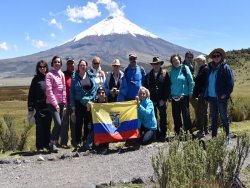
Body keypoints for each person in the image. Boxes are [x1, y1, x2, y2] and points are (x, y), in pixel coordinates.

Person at [205, 48, 234, 143]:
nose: (216, 57)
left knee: (224, 117)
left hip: (221, 98)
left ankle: (227, 137)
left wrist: (225, 94)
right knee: (213, 118)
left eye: (218, 56)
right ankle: (214, 137)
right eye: (214, 56)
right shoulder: (210, 68)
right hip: (211, 97)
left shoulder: (225, 67)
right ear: (212, 58)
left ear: (221, 57)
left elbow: (230, 83)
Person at [70, 59, 97, 150]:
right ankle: (77, 142)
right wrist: (73, 106)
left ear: (86, 66)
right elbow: (72, 93)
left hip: (89, 104)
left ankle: (86, 140)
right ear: (78, 66)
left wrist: (90, 100)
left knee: (87, 122)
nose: (82, 66)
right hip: (79, 104)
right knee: (79, 123)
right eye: (81, 65)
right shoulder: (74, 77)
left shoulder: (90, 76)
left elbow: (94, 89)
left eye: (84, 65)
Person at [143, 57, 170, 142]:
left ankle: (163, 134)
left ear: (160, 64)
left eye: (157, 64)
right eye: (154, 64)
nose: (156, 65)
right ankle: (156, 134)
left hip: (162, 100)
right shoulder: (148, 75)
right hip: (152, 101)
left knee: (163, 117)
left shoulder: (165, 74)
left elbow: (168, 88)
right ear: (152, 65)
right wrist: (149, 100)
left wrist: (164, 99)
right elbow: (145, 88)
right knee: (153, 118)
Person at [28, 60, 52, 151]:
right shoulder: (35, 79)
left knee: (47, 127)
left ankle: (47, 144)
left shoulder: (49, 77)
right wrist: (30, 107)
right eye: (40, 67)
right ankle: (39, 147)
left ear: (46, 67)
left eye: (44, 67)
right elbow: (31, 94)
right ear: (38, 68)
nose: (42, 68)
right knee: (39, 128)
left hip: (49, 107)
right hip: (39, 108)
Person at [169, 54, 194, 137]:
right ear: (172, 63)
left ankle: (189, 133)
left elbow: (191, 81)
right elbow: (170, 84)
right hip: (174, 96)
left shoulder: (184, 68)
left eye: (176, 60)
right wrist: (170, 95)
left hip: (184, 96)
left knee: (186, 115)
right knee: (176, 115)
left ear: (179, 60)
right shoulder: (171, 71)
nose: (175, 62)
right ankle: (178, 133)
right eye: (173, 61)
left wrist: (190, 93)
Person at [46, 56, 66, 153]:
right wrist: (56, 104)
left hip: (62, 102)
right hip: (53, 103)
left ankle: (55, 143)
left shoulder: (62, 74)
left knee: (60, 124)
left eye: (59, 62)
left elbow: (64, 90)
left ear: (61, 64)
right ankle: (51, 143)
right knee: (58, 123)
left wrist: (64, 102)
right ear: (52, 63)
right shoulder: (49, 75)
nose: (57, 63)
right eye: (55, 62)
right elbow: (49, 91)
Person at [85, 87, 109, 154]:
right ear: (97, 95)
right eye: (99, 93)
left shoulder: (109, 104)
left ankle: (104, 145)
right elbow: (89, 117)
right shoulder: (94, 104)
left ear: (105, 94)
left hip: (106, 126)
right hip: (96, 125)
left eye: (102, 92)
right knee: (88, 146)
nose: (101, 94)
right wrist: (88, 109)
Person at [60, 57, 76, 148]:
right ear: (67, 65)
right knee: (64, 124)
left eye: (72, 63)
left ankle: (74, 142)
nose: (71, 65)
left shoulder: (77, 75)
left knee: (74, 123)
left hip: (74, 103)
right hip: (65, 103)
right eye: (69, 64)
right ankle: (64, 143)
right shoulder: (63, 74)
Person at [192, 55, 209, 138]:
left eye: (200, 60)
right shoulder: (201, 69)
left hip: (203, 94)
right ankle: (205, 130)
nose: (198, 62)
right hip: (202, 93)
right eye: (197, 61)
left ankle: (202, 131)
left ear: (204, 61)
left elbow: (206, 83)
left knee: (201, 112)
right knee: (204, 112)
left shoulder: (205, 69)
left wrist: (204, 94)